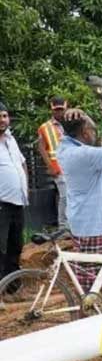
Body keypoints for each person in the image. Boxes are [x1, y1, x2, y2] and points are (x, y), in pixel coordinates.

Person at [58, 103, 102, 308]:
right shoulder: (83, 155)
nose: (95, 134)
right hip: (93, 225)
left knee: (101, 276)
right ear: (85, 133)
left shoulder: (67, 147)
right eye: (92, 129)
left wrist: (79, 113)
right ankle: (89, 319)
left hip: (86, 222)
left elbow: (70, 129)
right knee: (93, 285)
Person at [0, 102, 29, 282]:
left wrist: (25, 188)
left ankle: (12, 286)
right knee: (0, 247)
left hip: (18, 202)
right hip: (1, 204)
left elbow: (22, 163)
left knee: (16, 245)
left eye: (4, 116)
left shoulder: (11, 139)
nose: (2, 120)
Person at [37, 97, 68, 229]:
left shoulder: (71, 123)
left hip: (72, 166)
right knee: (65, 195)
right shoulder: (45, 127)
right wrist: (50, 166)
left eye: (61, 109)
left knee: (72, 196)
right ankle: (63, 225)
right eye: (56, 110)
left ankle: (71, 224)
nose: (59, 112)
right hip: (58, 168)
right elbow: (41, 147)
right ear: (52, 109)